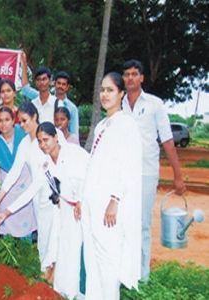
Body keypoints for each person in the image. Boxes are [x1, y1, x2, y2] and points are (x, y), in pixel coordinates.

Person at [122, 59, 186, 280]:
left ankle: (142, 276)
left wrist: (178, 175)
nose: (130, 78)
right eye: (127, 74)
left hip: (146, 173)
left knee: (142, 224)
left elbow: (167, 141)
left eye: (134, 74)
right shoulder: (118, 103)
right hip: (122, 173)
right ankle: (125, 271)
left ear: (142, 78)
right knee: (123, 222)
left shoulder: (154, 104)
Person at [81, 72, 142, 299]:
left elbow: (129, 166)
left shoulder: (126, 124)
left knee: (108, 262)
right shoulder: (102, 125)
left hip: (109, 205)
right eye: (102, 90)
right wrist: (82, 199)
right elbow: (94, 165)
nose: (105, 94)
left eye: (110, 90)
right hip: (92, 202)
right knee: (92, 259)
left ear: (121, 94)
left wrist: (115, 200)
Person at [0, 102, 57, 281]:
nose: (23, 125)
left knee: (55, 239)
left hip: (55, 196)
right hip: (37, 198)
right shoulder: (26, 143)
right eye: (21, 121)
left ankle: (55, 280)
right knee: (43, 240)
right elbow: (14, 172)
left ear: (35, 117)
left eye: (25, 121)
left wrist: (7, 211)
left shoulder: (50, 136)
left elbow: (39, 182)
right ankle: (46, 279)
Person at [36, 122, 89, 299]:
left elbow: (88, 177)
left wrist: (81, 201)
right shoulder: (46, 163)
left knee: (77, 248)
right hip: (66, 207)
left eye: (46, 140)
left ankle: (79, 291)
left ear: (56, 138)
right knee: (63, 246)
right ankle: (64, 288)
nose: (43, 145)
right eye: (40, 141)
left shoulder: (74, 153)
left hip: (83, 206)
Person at [0, 107, 36, 238]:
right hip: (6, 187)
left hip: (25, 181)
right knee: (6, 223)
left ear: (14, 120)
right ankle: (8, 254)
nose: (3, 123)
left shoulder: (23, 134)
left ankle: (27, 252)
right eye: (0, 121)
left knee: (25, 217)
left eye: (7, 119)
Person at [18, 53, 56, 124]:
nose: (41, 82)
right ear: (35, 82)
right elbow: (25, 89)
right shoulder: (33, 104)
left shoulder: (57, 103)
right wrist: (24, 62)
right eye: (38, 79)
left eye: (44, 79)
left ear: (50, 81)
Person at [53, 71, 79, 138]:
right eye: (58, 83)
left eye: (63, 84)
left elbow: (74, 133)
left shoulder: (72, 108)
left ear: (67, 87)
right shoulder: (48, 101)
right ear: (54, 84)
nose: (60, 86)